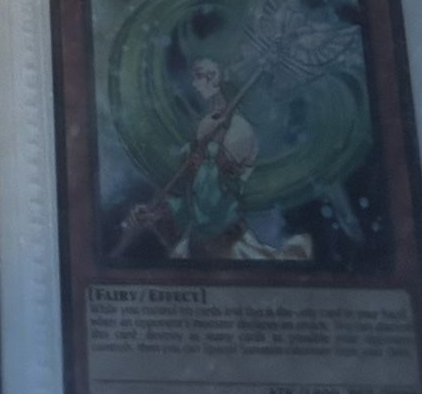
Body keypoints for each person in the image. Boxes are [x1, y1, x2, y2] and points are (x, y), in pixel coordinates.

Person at [122, 57, 313, 262]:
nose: (195, 83)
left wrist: (200, 161)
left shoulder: (240, 130)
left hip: (223, 240)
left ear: (215, 79)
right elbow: (194, 195)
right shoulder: (207, 123)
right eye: (195, 76)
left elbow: (218, 196)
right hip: (200, 239)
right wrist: (159, 214)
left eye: (200, 76)